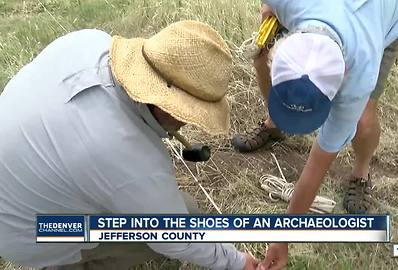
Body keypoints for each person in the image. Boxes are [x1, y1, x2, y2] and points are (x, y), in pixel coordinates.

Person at [0, 20, 257, 270]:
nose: (187, 123)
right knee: (186, 213)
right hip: (27, 235)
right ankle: (64, 263)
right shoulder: (127, 154)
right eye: (189, 113)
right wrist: (238, 262)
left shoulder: (90, 41)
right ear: (166, 104)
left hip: (18, 191)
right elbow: (178, 238)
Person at [231, 1, 398, 269]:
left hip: (386, 12)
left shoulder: (359, 73)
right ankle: (276, 122)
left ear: (344, 75)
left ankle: (361, 173)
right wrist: (268, 14)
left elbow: (318, 164)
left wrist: (283, 239)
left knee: (363, 121)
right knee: (258, 55)